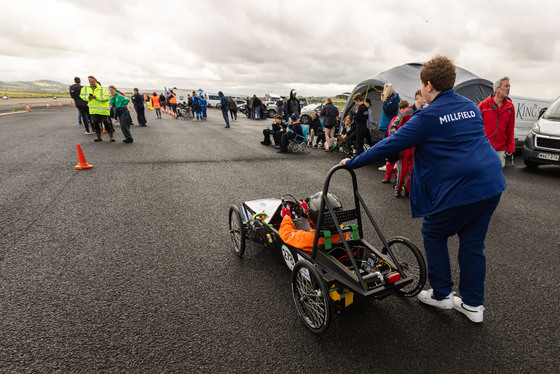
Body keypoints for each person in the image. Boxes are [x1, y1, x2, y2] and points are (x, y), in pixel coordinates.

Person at [340, 55, 506, 323]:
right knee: (473, 244)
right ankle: (473, 305)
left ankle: (442, 295)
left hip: (463, 189)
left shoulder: (427, 116)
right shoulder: (471, 107)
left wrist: (353, 162)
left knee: (434, 231)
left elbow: (389, 145)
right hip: (491, 184)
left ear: (428, 85)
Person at [279, 192, 346, 253]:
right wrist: (308, 213)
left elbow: (286, 234)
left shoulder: (310, 238)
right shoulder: (343, 231)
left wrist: (286, 216)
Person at [392, 91, 425, 197]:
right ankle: (398, 189)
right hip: (405, 148)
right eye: (423, 97)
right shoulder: (407, 112)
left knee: (414, 172)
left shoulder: (425, 112)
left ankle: (408, 190)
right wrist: (398, 143)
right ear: (417, 97)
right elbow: (393, 126)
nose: (425, 99)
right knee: (402, 172)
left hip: (417, 148)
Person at [478, 76, 515, 167]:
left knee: (497, 175)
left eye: (509, 86)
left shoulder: (510, 107)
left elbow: (510, 129)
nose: (508, 88)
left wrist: (510, 146)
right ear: (497, 89)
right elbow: (475, 127)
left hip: (500, 149)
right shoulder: (483, 106)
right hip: (484, 148)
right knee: (482, 173)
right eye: (506, 86)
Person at [80, 76, 115, 142]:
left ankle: (111, 136)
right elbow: (82, 95)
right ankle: (98, 137)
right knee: (95, 123)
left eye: (92, 81)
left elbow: (107, 98)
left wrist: (96, 97)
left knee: (107, 123)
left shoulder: (102, 89)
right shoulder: (85, 88)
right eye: (89, 82)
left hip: (103, 110)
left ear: (95, 80)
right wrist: (88, 97)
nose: (91, 83)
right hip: (93, 110)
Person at [383, 100, 410, 184]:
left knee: (399, 163)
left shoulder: (409, 120)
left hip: (404, 145)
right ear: (399, 109)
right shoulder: (395, 119)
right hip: (394, 143)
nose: (403, 112)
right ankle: (387, 177)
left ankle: (397, 179)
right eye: (402, 109)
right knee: (390, 161)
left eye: (405, 110)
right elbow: (390, 130)